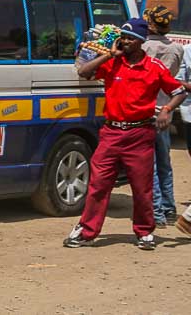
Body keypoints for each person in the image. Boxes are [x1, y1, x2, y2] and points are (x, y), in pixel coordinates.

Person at [64, 18, 189, 250]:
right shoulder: (113, 63)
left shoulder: (154, 67)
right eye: (123, 37)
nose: (126, 41)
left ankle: (144, 232)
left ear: (141, 41)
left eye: (131, 38)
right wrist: (109, 55)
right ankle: (86, 230)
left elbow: (178, 91)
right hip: (111, 132)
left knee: (142, 187)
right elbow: (84, 71)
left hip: (140, 134)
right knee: (99, 184)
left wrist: (168, 110)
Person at [141, 5, 182, 227]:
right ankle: (169, 208)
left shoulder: (143, 47)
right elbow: (173, 81)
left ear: (150, 24)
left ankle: (156, 212)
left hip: (147, 110)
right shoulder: (177, 49)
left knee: (151, 165)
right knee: (164, 162)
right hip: (167, 109)